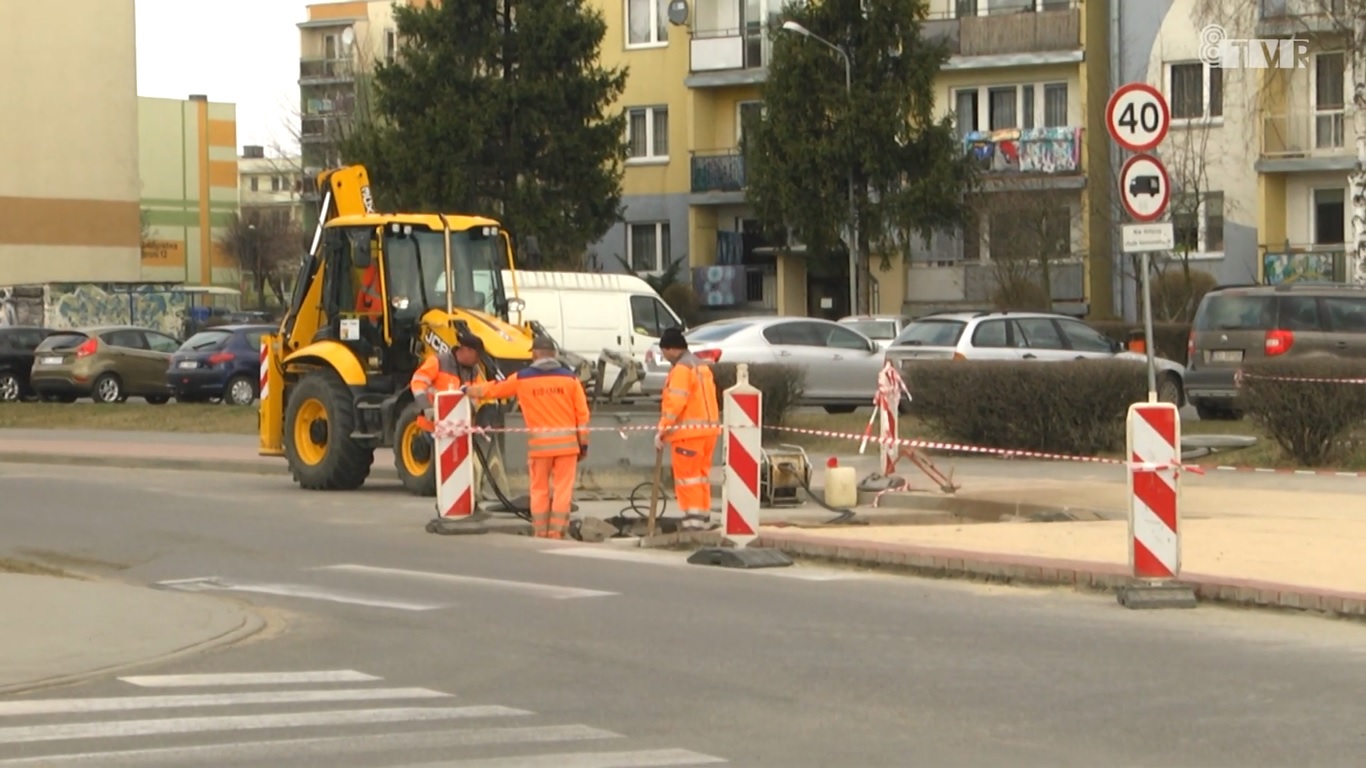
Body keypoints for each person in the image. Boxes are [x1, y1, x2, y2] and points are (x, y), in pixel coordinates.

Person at [467, 335, 589, 539]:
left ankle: (540, 531)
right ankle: (557, 532)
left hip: (540, 447)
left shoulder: (523, 378)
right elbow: (582, 414)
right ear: (554, 355)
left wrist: (469, 390)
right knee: (562, 490)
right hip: (568, 447)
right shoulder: (571, 379)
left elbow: (495, 390)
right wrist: (583, 444)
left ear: (534, 354)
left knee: (539, 489)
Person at [654, 327, 720, 531]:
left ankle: (692, 522)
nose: (665, 357)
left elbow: (675, 402)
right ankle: (702, 518)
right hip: (708, 432)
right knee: (700, 477)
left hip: (688, 434)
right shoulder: (702, 367)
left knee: (688, 478)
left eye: (664, 352)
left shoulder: (682, 369)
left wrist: (662, 429)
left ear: (672, 349)